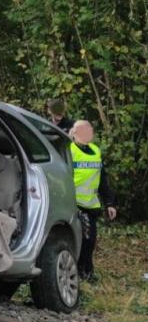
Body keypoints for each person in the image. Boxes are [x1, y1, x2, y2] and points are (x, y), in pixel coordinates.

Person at [69, 120, 117, 281]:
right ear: (74, 133)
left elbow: (102, 179)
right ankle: (82, 273)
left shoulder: (96, 151)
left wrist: (109, 203)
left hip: (91, 204)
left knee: (90, 241)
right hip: (72, 204)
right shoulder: (68, 150)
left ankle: (85, 272)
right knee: (81, 239)